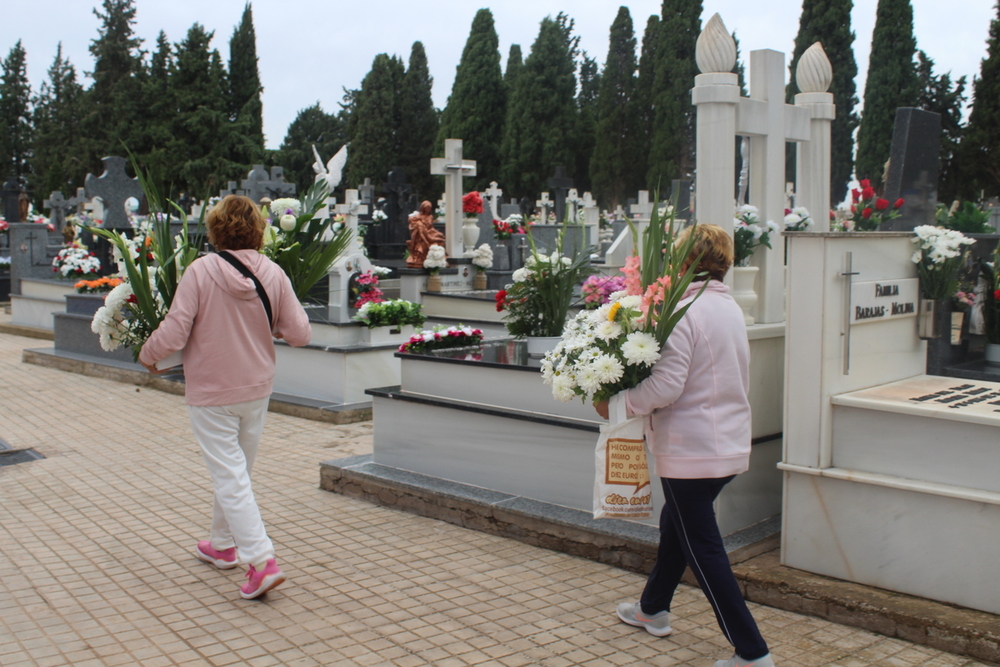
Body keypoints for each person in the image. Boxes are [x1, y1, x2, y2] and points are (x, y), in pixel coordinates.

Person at [595, 224, 774, 667]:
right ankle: (652, 609)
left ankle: (752, 653)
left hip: (691, 448)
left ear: (684, 259)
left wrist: (616, 404)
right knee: (677, 525)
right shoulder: (725, 305)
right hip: (725, 441)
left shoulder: (683, 309)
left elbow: (667, 386)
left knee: (704, 549)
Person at [139, 194, 311, 600]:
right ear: (259, 229)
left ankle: (262, 560)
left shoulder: (200, 271)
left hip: (212, 391)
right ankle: (221, 545)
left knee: (230, 475)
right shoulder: (273, 272)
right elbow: (301, 333)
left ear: (216, 230)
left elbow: (177, 329)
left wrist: (148, 354)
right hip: (257, 389)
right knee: (236, 473)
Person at [406, 200, 446, 268]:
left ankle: (438, 256)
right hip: (422, 235)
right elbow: (410, 220)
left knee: (441, 237)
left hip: (430, 232)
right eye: (426, 208)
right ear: (423, 208)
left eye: (429, 208)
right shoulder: (418, 217)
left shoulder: (430, 216)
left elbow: (431, 227)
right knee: (431, 240)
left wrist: (437, 233)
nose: (428, 210)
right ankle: (424, 257)